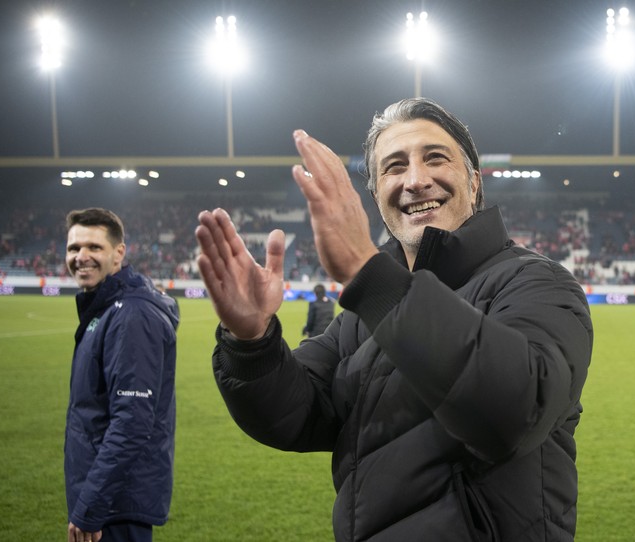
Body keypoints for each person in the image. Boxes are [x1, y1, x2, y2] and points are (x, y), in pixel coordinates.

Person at [195, 98, 593, 540]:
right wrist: (251, 340)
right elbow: (296, 414)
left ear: (475, 183)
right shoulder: (358, 319)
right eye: (394, 167)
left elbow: (515, 414)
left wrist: (370, 276)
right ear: (375, 197)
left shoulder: (537, 283)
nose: (416, 181)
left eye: (435, 158)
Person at [64, 208, 179, 542]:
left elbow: (131, 423)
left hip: (116, 504)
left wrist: (92, 504)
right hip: (108, 497)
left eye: (94, 247)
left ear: (118, 254)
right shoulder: (105, 309)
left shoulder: (131, 315)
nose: (81, 257)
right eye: (73, 248)